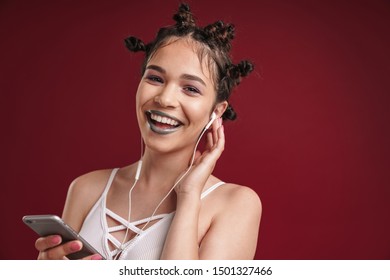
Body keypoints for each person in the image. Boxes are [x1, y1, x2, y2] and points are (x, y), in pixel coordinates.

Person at [34, 3, 262, 260]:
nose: (165, 99)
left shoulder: (235, 204)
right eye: (155, 79)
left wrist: (188, 196)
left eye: (190, 88)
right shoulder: (86, 188)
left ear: (217, 111)